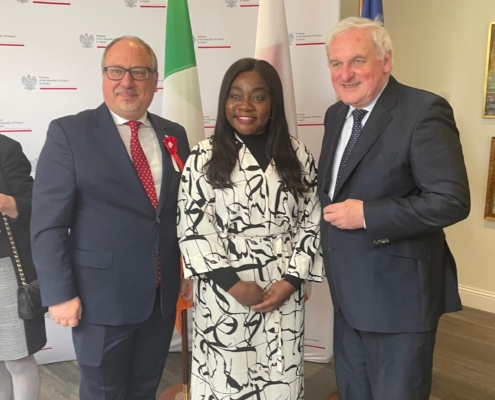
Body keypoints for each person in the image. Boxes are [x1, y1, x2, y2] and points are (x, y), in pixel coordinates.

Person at [318, 17, 470, 400]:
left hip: (397, 302)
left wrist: (368, 214)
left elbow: (451, 200)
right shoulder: (336, 114)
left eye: (357, 61)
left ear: (386, 61)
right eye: (336, 63)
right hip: (347, 297)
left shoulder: (424, 111)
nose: (345, 74)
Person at [30, 36, 190, 400]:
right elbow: (48, 223)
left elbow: (184, 212)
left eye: (139, 72)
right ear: (103, 76)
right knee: (104, 392)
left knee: (144, 389)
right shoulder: (69, 134)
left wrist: (189, 269)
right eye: (116, 71)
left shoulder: (174, 135)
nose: (127, 82)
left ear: (154, 79)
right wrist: (59, 293)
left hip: (160, 300)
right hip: (99, 301)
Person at [177, 58, 323, 400]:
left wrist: (292, 281)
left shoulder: (298, 155)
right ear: (224, 102)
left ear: (273, 105)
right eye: (235, 95)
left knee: (280, 371)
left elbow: (312, 220)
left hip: (282, 283)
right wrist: (232, 283)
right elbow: (192, 223)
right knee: (229, 377)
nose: (245, 105)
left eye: (258, 96)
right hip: (224, 288)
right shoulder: (203, 156)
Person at [0, 134, 46, 400]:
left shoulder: (5, 148)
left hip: (5, 268)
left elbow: (33, 205)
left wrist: (4, 202)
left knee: (16, 358)